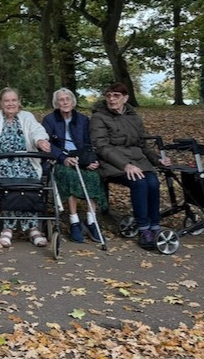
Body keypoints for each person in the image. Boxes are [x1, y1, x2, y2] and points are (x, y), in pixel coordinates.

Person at [90, 82, 170, 250]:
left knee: (153, 182)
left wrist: (157, 160)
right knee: (139, 183)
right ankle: (143, 229)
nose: (112, 99)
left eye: (116, 96)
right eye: (109, 95)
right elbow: (102, 147)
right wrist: (125, 165)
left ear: (125, 98)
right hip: (113, 163)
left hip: (138, 161)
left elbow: (143, 144)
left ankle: (155, 226)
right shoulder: (99, 117)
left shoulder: (133, 117)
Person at [0, 87, 51, 248]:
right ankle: (7, 228)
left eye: (13, 100)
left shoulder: (27, 117)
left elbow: (37, 131)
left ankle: (32, 228)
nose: (10, 104)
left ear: (19, 102)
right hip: (1, 161)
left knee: (30, 181)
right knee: (11, 179)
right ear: (1, 103)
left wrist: (40, 141)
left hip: (26, 160)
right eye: (6, 101)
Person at [42, 87, 108, 243]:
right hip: (59, 160)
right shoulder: (49, 120)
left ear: (73, 101)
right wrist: (63, 158)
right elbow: (47, 144)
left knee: (94, 176)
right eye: (61, 100)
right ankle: (74, 222)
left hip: (81, 159)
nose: (65, 102)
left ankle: (91, 221)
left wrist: (90, 160)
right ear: (56, 103)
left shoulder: (83, 120)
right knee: (69, 175)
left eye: (67, 99)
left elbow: (88, 143)